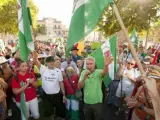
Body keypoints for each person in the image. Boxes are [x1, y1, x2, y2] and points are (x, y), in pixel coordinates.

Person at [32, 51, 66, 119]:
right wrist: (34, 53)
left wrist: (64, 94)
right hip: (46, 95)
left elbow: (61, 82)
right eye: (49, 62)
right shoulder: (43, 69)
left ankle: (57, 117)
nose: (51, 63)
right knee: (48, 111)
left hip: (57, 94)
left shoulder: (58, 71)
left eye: (52, 61)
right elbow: (35, 61)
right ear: (46, 63)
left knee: (59, 111)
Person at [78, 55, 113, 120]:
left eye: (91, 64)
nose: (89, 66)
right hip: (87, 102)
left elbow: (104, 72)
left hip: (97, 102)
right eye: (87, 64)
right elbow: (79, 86)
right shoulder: (83, 73)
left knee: (98, 118)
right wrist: (84, 78)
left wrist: (106, 65)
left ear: (94, 65)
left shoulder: (98, 72)